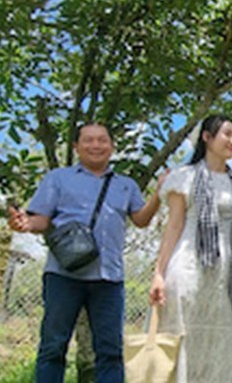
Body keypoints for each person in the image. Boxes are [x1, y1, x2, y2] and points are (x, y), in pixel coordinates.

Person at [6, 123, 165, 383]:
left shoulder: (126, 185)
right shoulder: (58, 178)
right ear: (76, 147)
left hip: (109, 278)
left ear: (112, 147)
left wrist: (158, 194)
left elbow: (141, 219)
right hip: (63, 275)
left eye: (102, 140)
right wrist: (25, 224)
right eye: (88, 140)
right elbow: (41, 220)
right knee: (53, 347)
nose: (96, 145)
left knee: (110, 351)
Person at [149, 114, 232, 383]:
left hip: (226, 277)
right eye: (227, 134)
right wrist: (159, 274)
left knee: (220, 340)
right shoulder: (184, 177)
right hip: (189, 266)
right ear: (207, 137)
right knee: (184, 337)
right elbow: (173, 226)